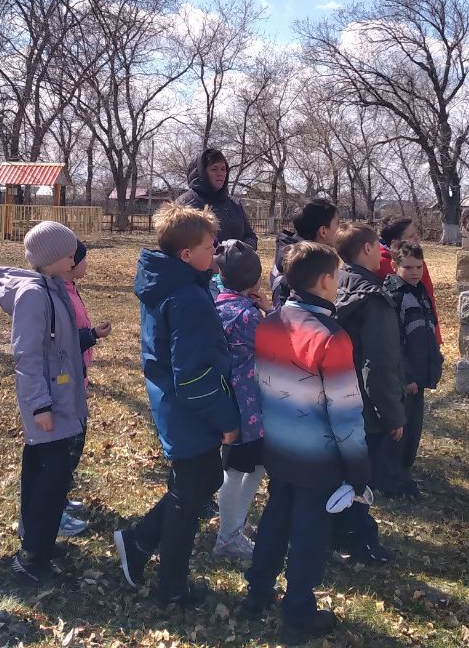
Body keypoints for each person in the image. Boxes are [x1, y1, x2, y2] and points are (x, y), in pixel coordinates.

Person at [241, 241, 370, 645]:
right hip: (319, 456)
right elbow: (346, 413)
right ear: (327, 280)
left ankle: (256, 592)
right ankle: (298, 609)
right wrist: (359, 469)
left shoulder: (270, 322)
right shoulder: (332, 338)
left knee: (276, 515)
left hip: (277, 445)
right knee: (309, 532)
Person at [114, 204, 239, 608]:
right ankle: (171, 586)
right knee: (193, 490)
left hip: (176, 401)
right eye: (209, 245)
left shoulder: (174, 283)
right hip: (189, 406)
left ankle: (140, 540)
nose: (215, 250)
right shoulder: (186, 297)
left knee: (199, 482)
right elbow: (193, 372)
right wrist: (225, 419)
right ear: (187, 254)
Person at [0, 221, 87, 586]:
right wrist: (39, 406)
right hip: (48, 403)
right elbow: (28, 356)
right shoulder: (34, 295)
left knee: (51, 475)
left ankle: (41, 541)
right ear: (53, 258)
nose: (74, 255)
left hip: (62, 397)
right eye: (69, 251)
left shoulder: (55, 288)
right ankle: (32, 555)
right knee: (48, 478)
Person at [334, 224, 409, 566]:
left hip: (337, 397)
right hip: (366, 406)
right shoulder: (373, 299)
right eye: (377, 246)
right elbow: (379, 364)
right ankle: (360, 539)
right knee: (363, 478)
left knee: (341, 472)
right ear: (366, 249)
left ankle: (335, 531)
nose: (384, 252)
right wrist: (392, 414)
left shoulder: (336, 284)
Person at [212, 239, 270, 560]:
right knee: (237, 470)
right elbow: (277, 346)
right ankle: (227, 536)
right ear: (255, 280)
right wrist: (271, 312)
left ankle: (236, 522)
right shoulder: (248, 317)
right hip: (246, 406)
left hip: (238, 405)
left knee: (255, 464)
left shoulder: (219, 304)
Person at [61, 240, 112, 538]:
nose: (86, 264)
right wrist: (90, 335)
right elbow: (63, 341)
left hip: (77, 378)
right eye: (82, 259)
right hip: (66, 382)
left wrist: (92, 334)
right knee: (68, 444)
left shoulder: (71, 290)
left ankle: (63, 496)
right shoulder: (60, 296)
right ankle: (56, 506)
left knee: (76, 441)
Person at [383, 241, 444, 478]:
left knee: (414, 426)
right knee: (399, 427)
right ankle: (392, 475)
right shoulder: (393, 295)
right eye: (408, 267)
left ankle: (405, 468)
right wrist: (406, 376)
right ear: (394, 265)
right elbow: (393, 342)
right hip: (403, 378)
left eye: (419, 267)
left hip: (420, 373)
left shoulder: (421, 292)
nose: (415, 272)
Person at [376, 216, 441, 343]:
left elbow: (428, 298)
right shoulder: (379, 264)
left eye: (416, 233)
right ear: (395, 242)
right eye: (411, 236)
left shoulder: (417, 262)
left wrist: (435, 335)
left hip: (423, 329)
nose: (417, 238)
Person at [175, 147, 257, 247]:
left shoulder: (234, 204)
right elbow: (179, 246)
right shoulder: (185, 204)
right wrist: (219, 254)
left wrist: (242, 248)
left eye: (223, 169)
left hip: (238, 262)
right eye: (214, 169)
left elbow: (250, 236)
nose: (220, 174)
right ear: (201, 173)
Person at [270, 198, 340, 307]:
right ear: (323, 231)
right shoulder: (310, 267)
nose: (340, 229)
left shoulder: (288, 256)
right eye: (337, 224)